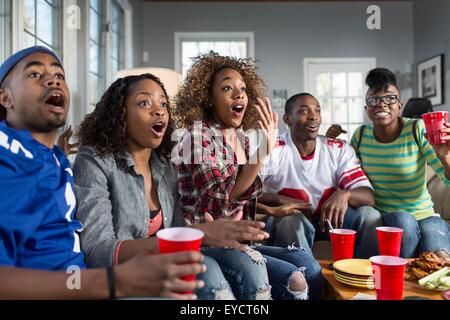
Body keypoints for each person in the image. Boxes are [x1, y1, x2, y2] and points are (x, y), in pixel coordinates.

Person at [0, 46, 205, 299]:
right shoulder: (7, 158)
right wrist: (112, 281)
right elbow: (97, 250)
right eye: (34, 74)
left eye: (59, 75)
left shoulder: (55, 161)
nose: (52, 79)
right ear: (5, 98)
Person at [73, 73, 269, 300]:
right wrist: (197, 233)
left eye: (163, 104)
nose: (159, 110)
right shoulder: (94, 161)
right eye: (144, 102)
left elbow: (179, 232)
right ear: (120, 114)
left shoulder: (165, 164)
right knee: (209, 271)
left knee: (248, 263)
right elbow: (98, 252)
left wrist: (212, 229)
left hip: (166, 266)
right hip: (123, 278)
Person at [172, 52, 323, 300]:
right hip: (207, 241)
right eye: (227, 88)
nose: (239, 94)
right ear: (209, 98)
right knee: (294, 278)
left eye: (242, 88)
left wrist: (271, 208)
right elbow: (222, 198)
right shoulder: (195, 136)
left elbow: (245, 195)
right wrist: (263, 149)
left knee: (307, 263)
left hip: (239, 241)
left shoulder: (240, 138)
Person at [326, 68, 450, 259]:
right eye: (374, 100)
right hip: (388, 215)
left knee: (439, 258)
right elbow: (345, 176)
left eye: (390, 98)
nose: (382, 104)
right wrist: (329, 145)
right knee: (404, 221)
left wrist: (445, 156)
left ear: (400, 104)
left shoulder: (417, 129)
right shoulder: (361, 136)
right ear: (366, 109)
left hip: (425, 215)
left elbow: (446, 178)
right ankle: (401, 279)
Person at [258, 93, 381, 259]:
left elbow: (368, 197)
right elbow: (243, 194)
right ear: (287, 120)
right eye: (304, 111)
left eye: (317, 110)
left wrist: (345, 193)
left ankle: (365, 276)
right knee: (291, 220)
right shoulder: (271, 147)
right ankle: (304, 279)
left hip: (332, 220)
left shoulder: (338, 148)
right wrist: (280, 200)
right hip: (290, 220)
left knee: (370, 215)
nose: (313, 116)